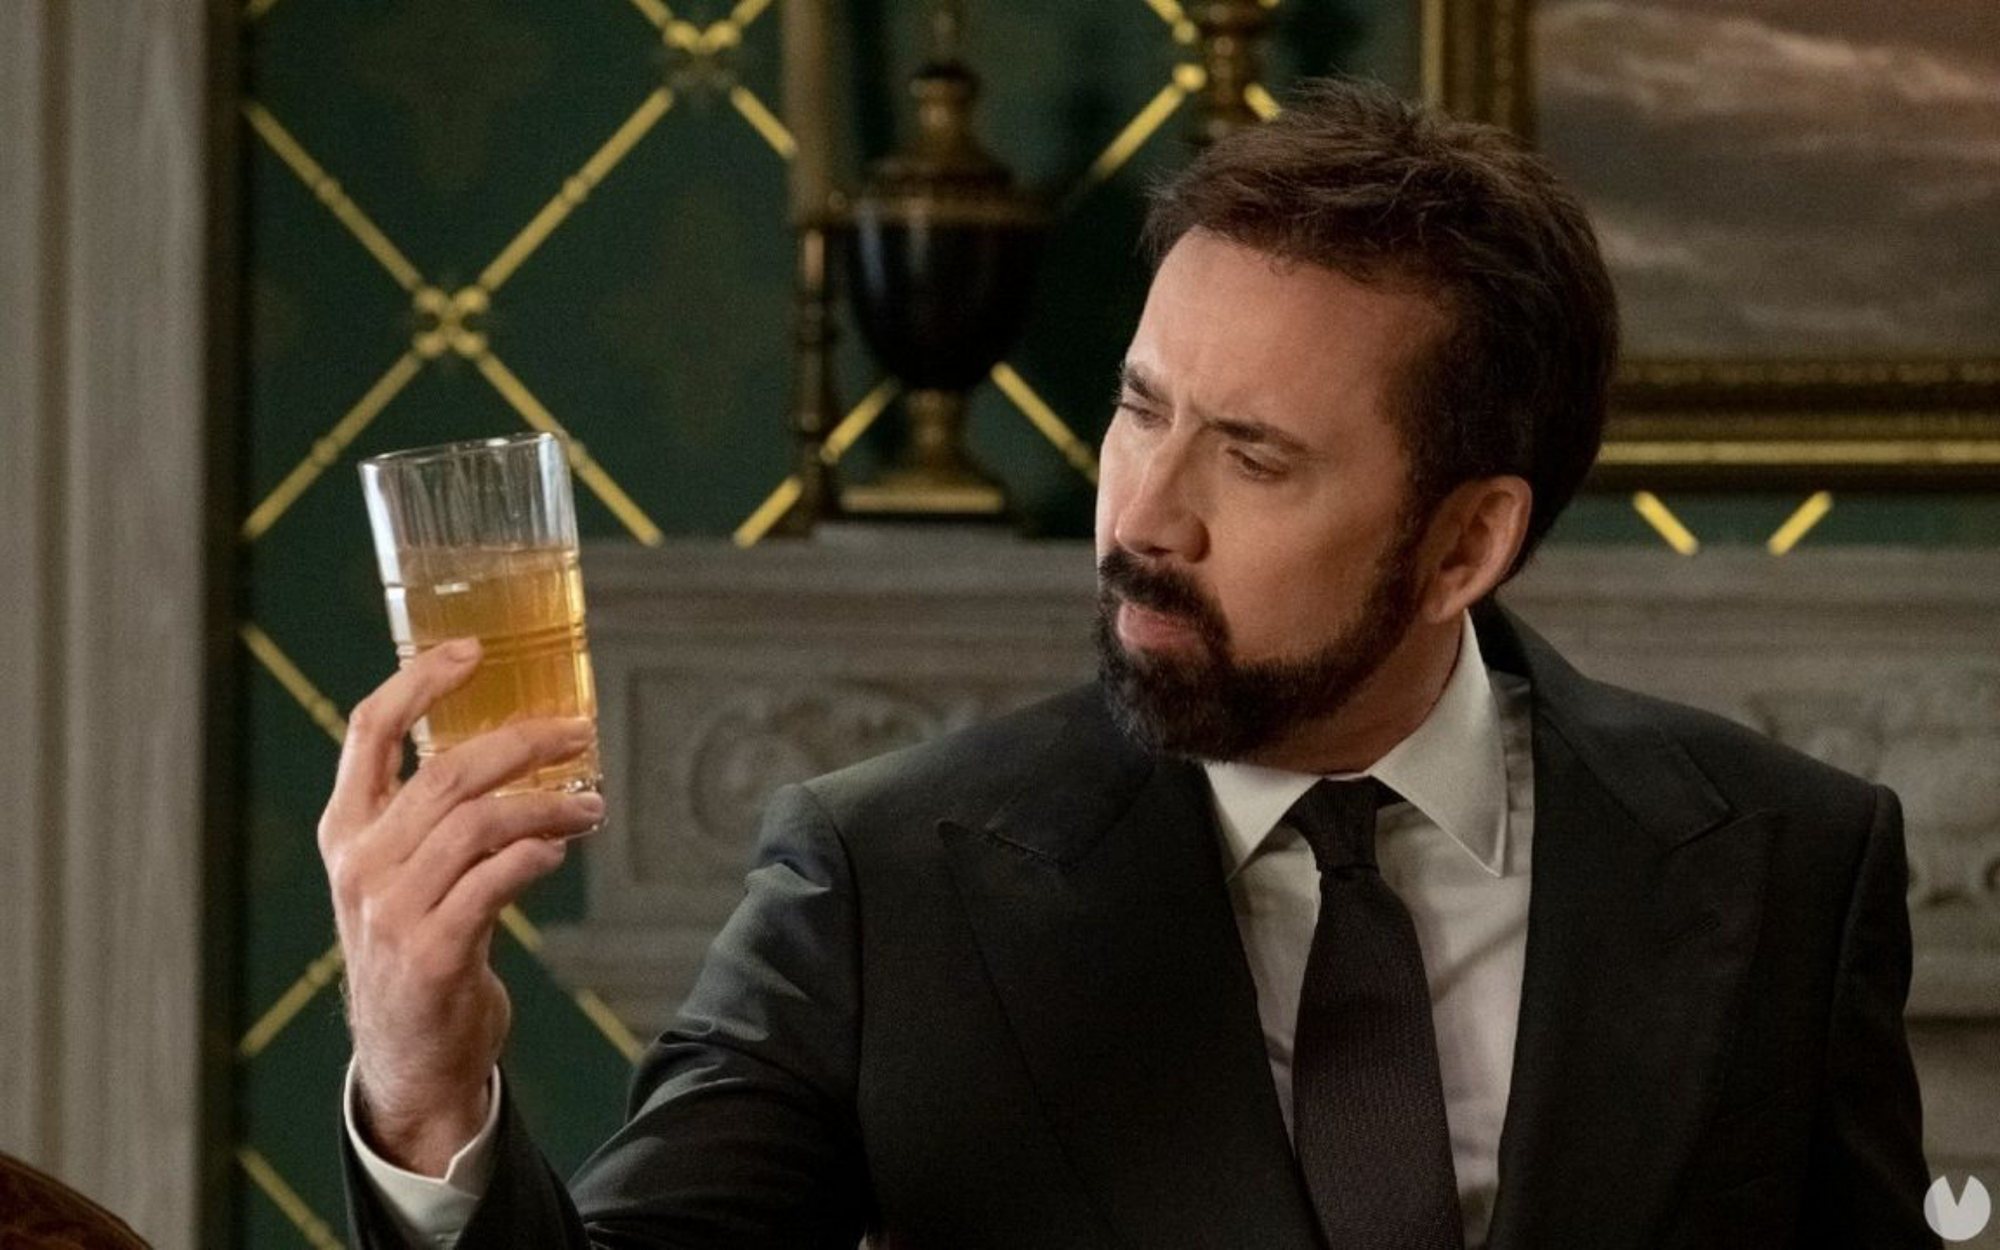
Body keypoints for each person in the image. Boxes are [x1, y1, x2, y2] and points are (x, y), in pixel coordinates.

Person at [322, 78, 1940, 1249]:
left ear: (1466, 545)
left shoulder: (1790, 866)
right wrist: (422, 1087)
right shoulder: (885, 881)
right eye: (1139, 409)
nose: (1143, 515)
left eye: (1254, 455)